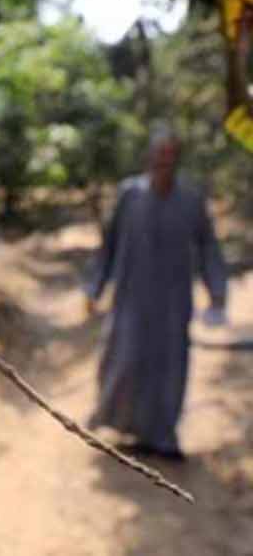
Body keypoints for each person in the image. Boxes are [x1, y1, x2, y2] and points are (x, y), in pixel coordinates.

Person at [84, 122, 228, 461]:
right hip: (132, 298)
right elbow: (109, 245)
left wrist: (217, 292)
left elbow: (208, 247)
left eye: (170, 154)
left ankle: (162, 438)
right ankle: (116, 423)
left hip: (173, 302)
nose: (163, 160)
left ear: (176, 158)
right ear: (149, 157)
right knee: (125, 359)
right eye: (158, 154)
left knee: (169, 368)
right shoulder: (129, 195)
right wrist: (94, 287)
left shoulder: (191, 200)